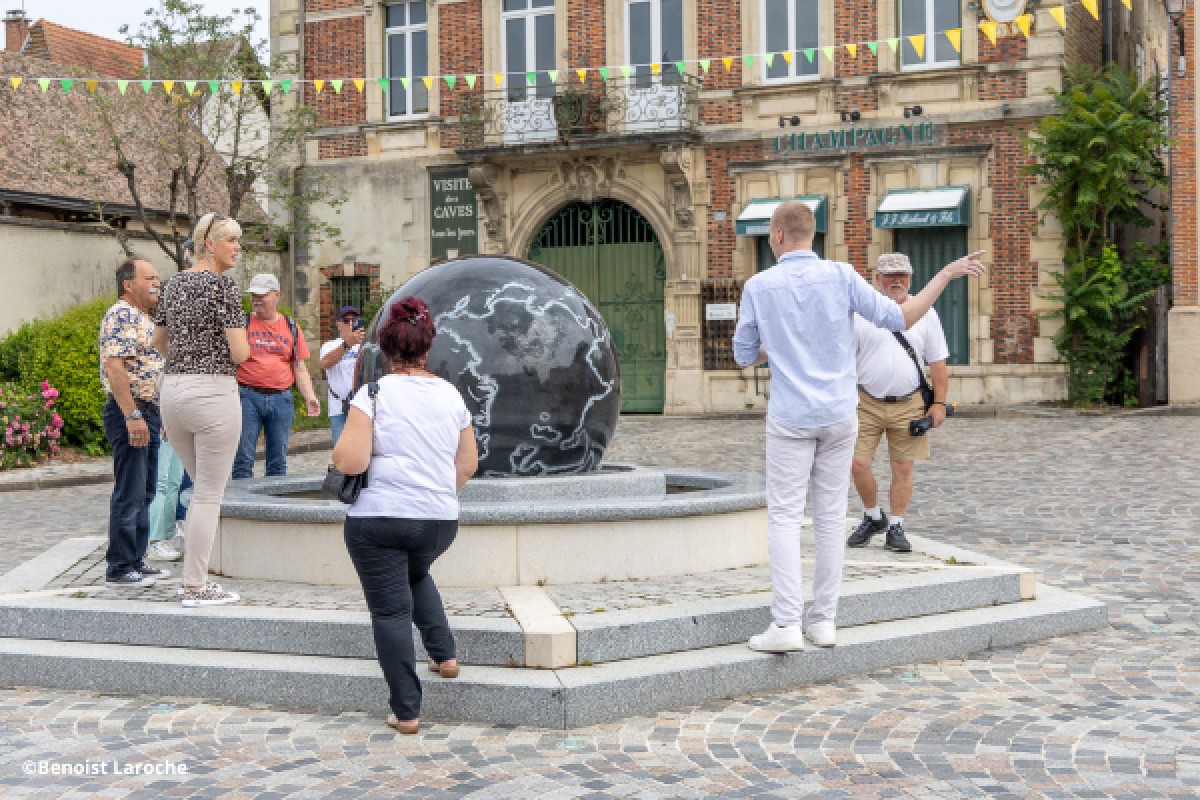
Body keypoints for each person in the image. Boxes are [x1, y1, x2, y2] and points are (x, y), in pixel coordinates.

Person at [732, 201, 984, 652]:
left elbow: (744, 354)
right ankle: (824, 621)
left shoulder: (759, 286)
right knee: (830, 517)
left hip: (791, 416)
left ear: (775, 236)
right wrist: (944, 276)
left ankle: (786, 625)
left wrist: (784, 348)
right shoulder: (843, 275)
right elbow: (903, 317)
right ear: (814, 234)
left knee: (786, 518)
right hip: (839, 413)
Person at [332, 296, 478, 735]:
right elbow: (468, 463)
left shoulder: (372, 393)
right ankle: (444, 655)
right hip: (438, 521)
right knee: (415, 573)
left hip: (379, 520)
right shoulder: (451, 395)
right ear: (426, 348)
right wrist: (433, 494)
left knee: (390, 613)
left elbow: (351, 462)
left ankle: (407, 710)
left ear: (385, 348)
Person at [153, 212, 250, 608]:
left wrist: (186, 359)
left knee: (198, 492)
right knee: (209, 494)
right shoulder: (223, 287)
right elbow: (240, 352)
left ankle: (193, 578)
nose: (238, 247)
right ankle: (195, 585)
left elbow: (158, 340)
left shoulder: (173, 284)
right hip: (212, 391)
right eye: (232, 240)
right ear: (209, 243)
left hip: (172, 390)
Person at [848, 253, 951, 554]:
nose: (897, 281)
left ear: (911, 277)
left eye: (902, 276)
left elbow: (938, 362)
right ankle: (872, 515)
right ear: (877, 278)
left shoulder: (926, 312)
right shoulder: (860, 313)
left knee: (903, 467)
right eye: (890, 276)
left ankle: (896, 525)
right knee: (857, 463)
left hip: (909, 403)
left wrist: (940, 404)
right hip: (865, 400)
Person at [99, 258, 169, 587]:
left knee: (145, 490)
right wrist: (132, 415)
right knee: (130, 491)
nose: (158, 283)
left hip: (149, 411)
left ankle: (136, 561)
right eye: (150, 278)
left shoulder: (144, 317)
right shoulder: (121, 313)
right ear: (129, 284)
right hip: (131, 411)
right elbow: (115, 368)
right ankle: (120, 566)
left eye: (158, 277)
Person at [232, 273, 321, 479]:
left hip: (282, 398)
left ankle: (273, 508)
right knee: (243, 458)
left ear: (276, 295)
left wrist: (310, 397)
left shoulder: (291, 327)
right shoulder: (243, 323)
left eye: (262, 295)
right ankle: (244, 509)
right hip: (247, 396)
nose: (256, 299)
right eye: (254, 294)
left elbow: (299, 367)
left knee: (278, 460)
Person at [320, 305, 366, 445]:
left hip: (361, 406)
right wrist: (347, 344)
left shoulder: (365, 345)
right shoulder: (330, 345)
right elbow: (325, 363)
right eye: (346, 320)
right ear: (339, 324)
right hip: (339, 406)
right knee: (341, 452)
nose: (351, 323)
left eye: (355, 320)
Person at [146, 440, 186, 561]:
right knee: (159, 483)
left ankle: (168, 537)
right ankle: (154, 541)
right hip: (161, 426)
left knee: (174, 483)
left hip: (177, 426)